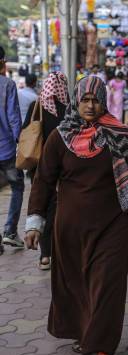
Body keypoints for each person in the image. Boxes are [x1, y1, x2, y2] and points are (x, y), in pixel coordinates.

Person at [24, 76, 128, 355]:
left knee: (107, 287)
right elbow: (43, 181)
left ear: (104, 101)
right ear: (76, 101)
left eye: (95, 100)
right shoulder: (60, 137)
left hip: (112, 227)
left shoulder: (119, 134)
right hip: (69, 231)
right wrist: (34, 222)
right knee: (80, 287)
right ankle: (87, 332)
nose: (90, 105)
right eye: (84, 100)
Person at [22, 72, 70, 270]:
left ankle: (45, 255)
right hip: (62, 167)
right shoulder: (68, 108)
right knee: (59, 208)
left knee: (42, 205)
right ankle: (60, 251)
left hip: (38, 167)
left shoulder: (36, 106)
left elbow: (24, 131)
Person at [0, 47, 25, 252]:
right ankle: (9, 231)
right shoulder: (7, 85)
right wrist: (21, 143)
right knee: (17, 187)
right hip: (6, 150)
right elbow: (14, 117)